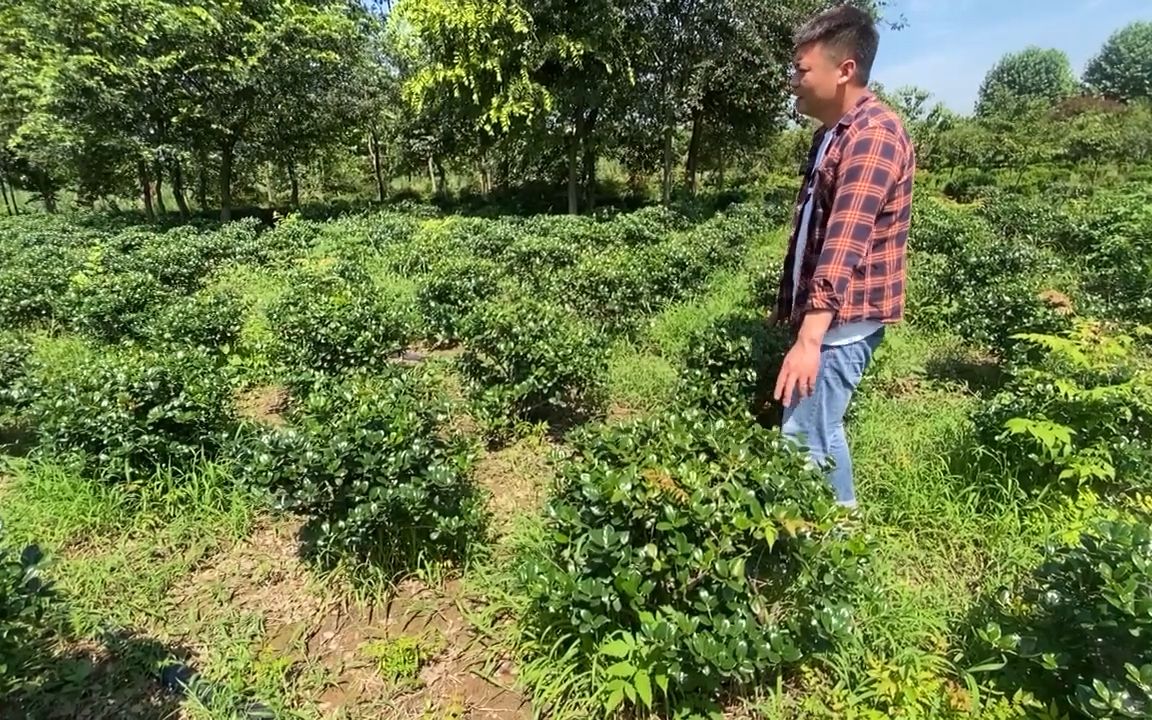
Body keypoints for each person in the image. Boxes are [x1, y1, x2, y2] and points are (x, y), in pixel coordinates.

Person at [768, 5, 915, 509]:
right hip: (826, 319)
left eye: (802, 69)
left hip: (842, 324)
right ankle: (841, 536)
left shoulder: (873, 135)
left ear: (845, 68)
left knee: (804, 437)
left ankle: (828, 552)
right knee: (818, 430)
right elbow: (812, 229)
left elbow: (844, 242)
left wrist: (810, 340)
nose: (794, 81)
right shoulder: (831, 135)